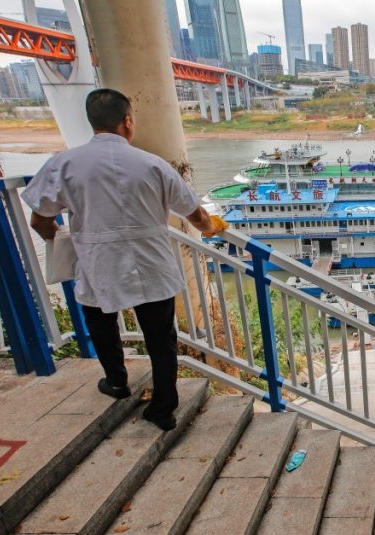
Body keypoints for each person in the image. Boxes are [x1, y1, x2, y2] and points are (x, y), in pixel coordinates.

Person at [22, 88, 227, 431]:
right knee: (161, 339)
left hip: (97, 262)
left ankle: (116, 382)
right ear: (127, 122)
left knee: (102, 327)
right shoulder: (152, 164)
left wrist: (61, 239)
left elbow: (40, 219)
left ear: (93, 122)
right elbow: (196, 215)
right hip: (151, 264)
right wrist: (213, 227)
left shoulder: (64, 164)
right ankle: (162, 409)